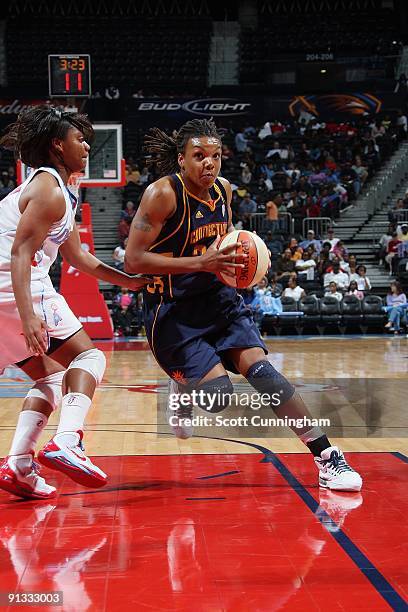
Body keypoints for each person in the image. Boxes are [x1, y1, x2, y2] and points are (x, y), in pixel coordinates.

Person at [125, 118, 362, 492]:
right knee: (219, 398)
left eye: (216, 156)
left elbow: (229, 242)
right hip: (173, 310)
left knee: (266, 375)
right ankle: (181, 382)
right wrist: (199, 263)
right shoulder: (162, 195)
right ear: (181, 160)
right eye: (199, 156)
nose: (209, 163)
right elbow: (133, 261)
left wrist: (247, 270)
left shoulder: (224, 191)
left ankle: (326, 457)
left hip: (219, 301)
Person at [0, 106, 147, 500]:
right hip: (15, 284)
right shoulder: (48, 188)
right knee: (90, 359)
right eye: (77, 139)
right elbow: (19, 254)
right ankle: (68, 440)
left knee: (49, 378)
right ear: (55, 145)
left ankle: (18, 465)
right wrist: (29, 316)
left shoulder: (65, 188)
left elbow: (78, 257)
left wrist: (128, 281)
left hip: (6, 291)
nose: (86, 144)